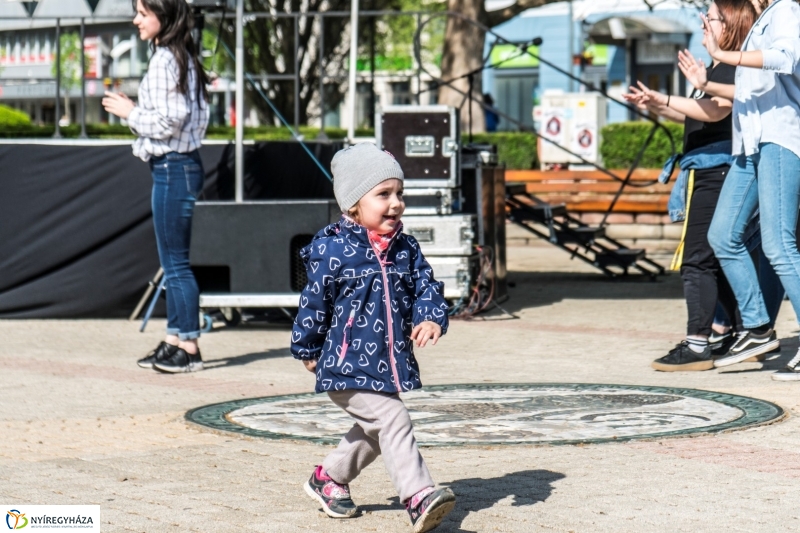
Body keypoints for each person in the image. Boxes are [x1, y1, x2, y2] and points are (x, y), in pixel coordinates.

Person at [291, 143, 455, 532]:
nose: (395, 203)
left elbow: (427, 288)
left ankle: (328, 478)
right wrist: (308, 347)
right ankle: (418, 496)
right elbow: (313, 303)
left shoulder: (405, 248)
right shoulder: (333, 250)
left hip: (386, 362)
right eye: (383, 194)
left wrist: (431, 317)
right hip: (343, 363)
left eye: (399, 193)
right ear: (353, 205)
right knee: (393, 418)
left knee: (376, 429)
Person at [623, 0, 757, 372]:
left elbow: (716, 112)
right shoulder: (720, 66)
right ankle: (730, 329)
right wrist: (653, 103)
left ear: (728, 24)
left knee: (697, 259)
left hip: (716, 170)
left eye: (709, 17)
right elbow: (695, 113)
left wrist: (667, 98)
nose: (702, 22)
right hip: (709, 168)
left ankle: (699, 342)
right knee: (713, 255)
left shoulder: (731, 65)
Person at [103, 0, 210, 373]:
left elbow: (171, 120)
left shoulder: (168, 59)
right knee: (172, 261)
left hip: (174, 167)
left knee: (176, 264)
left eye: (143, 13)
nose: (136, 19)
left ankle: (190, 347)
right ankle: (175, 338)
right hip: (176, 166)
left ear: (164, 17)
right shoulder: (178, 56)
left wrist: (129, 112)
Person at [703, 0, 800, 380]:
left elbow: (788, 57)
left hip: (779, 138)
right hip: (750, 146)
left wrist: (720, 53)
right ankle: (758, 328)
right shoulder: (762, 20)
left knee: (778, 244)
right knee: (722, 234)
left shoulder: (786, 11)